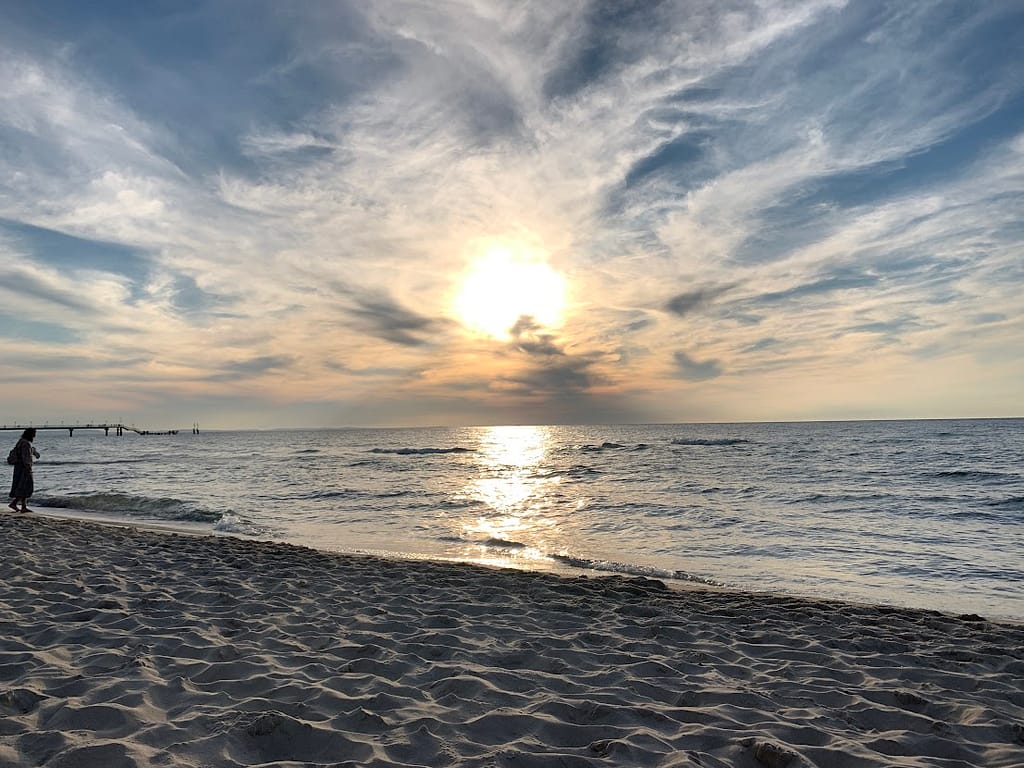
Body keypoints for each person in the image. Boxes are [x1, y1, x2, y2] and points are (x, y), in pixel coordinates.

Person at [8, 428, 40, 514]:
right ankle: (18, 505)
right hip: (24, 468)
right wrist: (28, 467)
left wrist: (34, 452)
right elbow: (26, 457)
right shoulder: (26, 443)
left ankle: (21, 506)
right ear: (30, 434)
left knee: (22, 487)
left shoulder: (21, 441)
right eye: (34, 433)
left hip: (18, 467)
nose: (35, 435)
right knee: (26, 487)